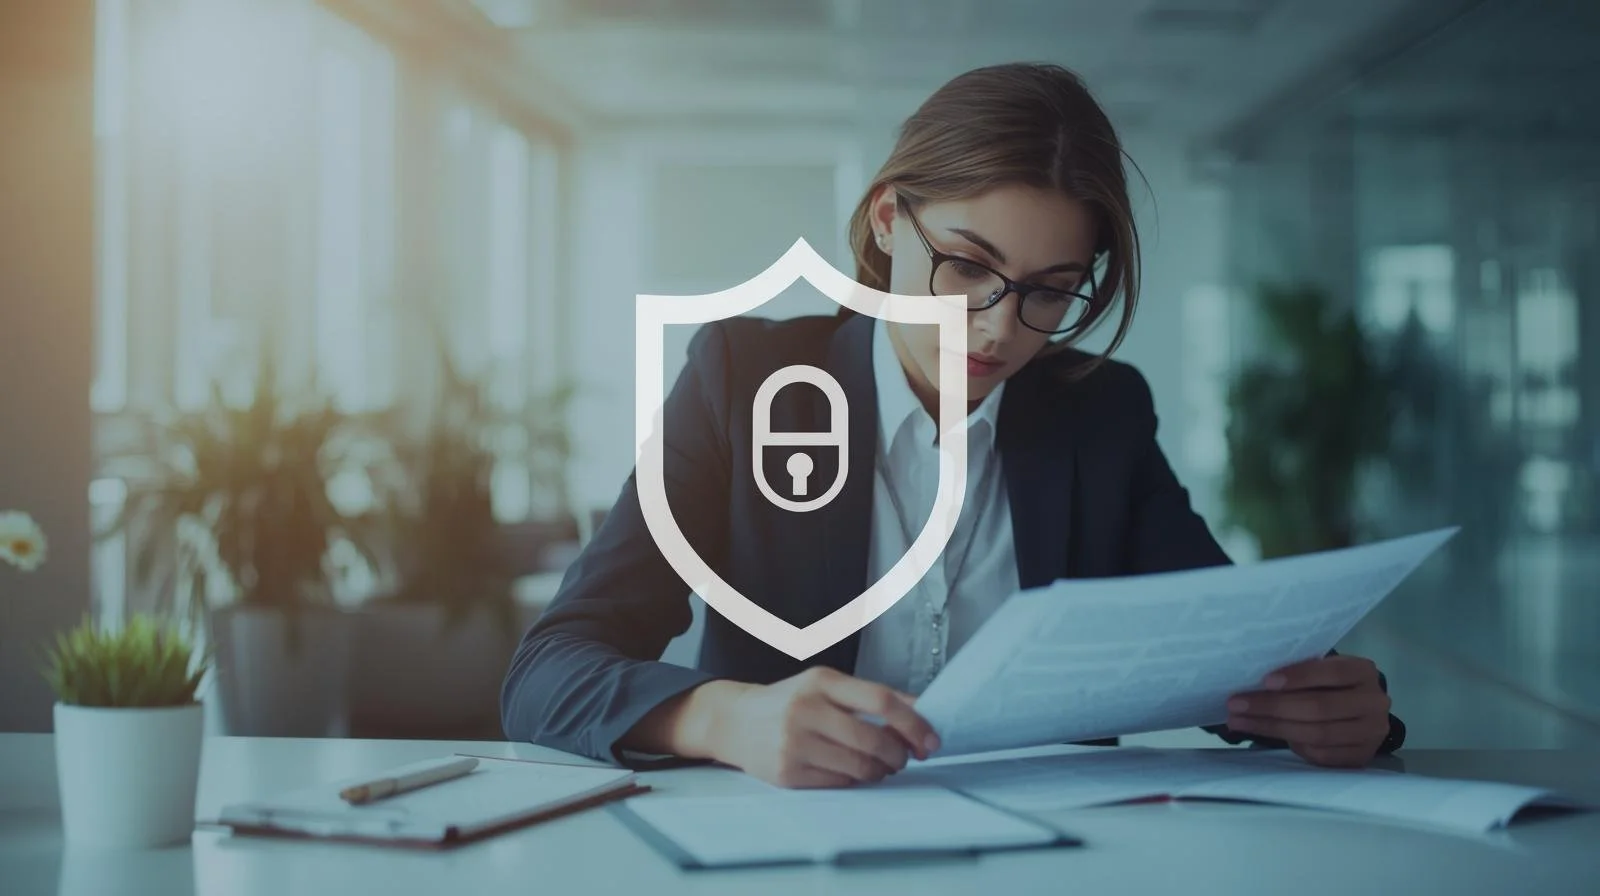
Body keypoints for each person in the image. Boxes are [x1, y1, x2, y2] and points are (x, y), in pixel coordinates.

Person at [501, 62, 1404, 787]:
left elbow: (1221, 654)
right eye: (968, 266)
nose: (999, 325)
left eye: (1050, 291)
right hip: (787, 850)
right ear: (890, 219)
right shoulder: (744, 381)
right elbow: (547, 671)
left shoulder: (1100, 411)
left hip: (1059, 858)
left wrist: (1341, 705)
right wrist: (726, 716)